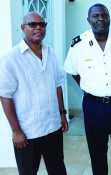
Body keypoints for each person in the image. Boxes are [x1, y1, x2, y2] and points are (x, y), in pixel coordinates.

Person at [63, 3, 111, 175]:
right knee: (97, 153)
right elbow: (73, 72)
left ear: (109, 17)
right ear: (88, 20)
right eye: (96, 16)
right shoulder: (79, 44)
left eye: (104, 15)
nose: (100, 19)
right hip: (93, 107)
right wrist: (89, 87)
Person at [0, 12, 68, 175]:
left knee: (58, 169)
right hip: (28, 132)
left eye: (42, 24)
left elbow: (58, 86)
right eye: (33, 24)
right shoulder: (11, 58)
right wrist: (16, 131)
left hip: (52, 127)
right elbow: (5, 96)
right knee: (28, 172)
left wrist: (62, 114)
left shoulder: (50, 53)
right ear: (23, 28)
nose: (38, 27)